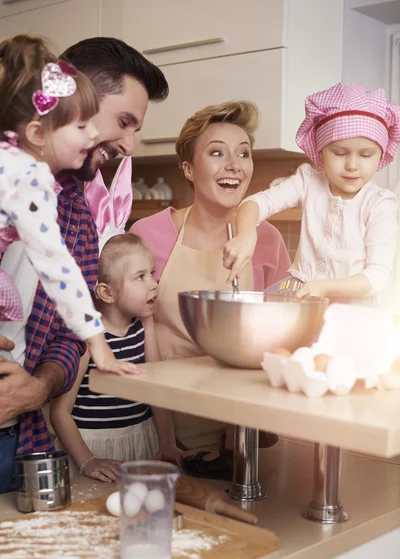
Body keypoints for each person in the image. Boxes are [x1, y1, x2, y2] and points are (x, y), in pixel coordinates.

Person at [0, 36, 169, 492]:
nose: (128, 144)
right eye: (123, 121)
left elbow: (67, 332)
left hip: (18, 440)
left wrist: (38, 387)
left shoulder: (74, 210)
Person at [130, 101, 291, 479]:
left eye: (243, 154)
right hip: (159, 428)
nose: (234, 165)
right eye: (217, 152)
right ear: (189, 168)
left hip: (240, 433)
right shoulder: (148, 234)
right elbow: (122, 331)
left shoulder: (266, 240)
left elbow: (284, 337)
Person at [0, 34, 141, 378]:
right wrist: (99, 345)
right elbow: (56, 265)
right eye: (81, 125)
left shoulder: (20, 170)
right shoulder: (28, 177)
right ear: (36, 133)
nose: (92, 136)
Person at [224, 83, 400, 306]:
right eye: (339, 152)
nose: (352, 165)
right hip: (301, 296)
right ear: (320, 151)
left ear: (381, 155)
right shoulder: (307, 182)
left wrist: (323, 287)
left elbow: (378, 276)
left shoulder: (379, 204)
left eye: (366, 155)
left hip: (352, 309)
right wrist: (246, 235)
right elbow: (255, 203)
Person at [50, 234, 182, 481]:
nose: (154, 283)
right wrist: (88, 461)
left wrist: (167, 444)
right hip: (91, 448)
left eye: (152, 273)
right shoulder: (88, 337)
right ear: (107, 293)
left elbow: (156, 389)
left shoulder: (144, 324)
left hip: (142, 441)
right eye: (140, 277)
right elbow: (60, 412)